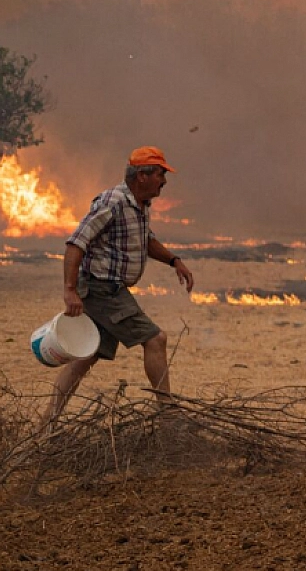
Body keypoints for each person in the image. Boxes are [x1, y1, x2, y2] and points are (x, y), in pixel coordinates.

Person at [44, 146, 195, 423]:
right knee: (155, 339)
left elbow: (145, 241)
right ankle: (169, 417)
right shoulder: (113, 202)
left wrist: (174, 261)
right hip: (103, 289)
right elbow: (76, 242)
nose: (164, 181)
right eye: (161, 174)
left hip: (109, 289)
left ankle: (46, 422)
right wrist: (69, 290)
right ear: (142, 176)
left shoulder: (140, 205)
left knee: (85, 355)